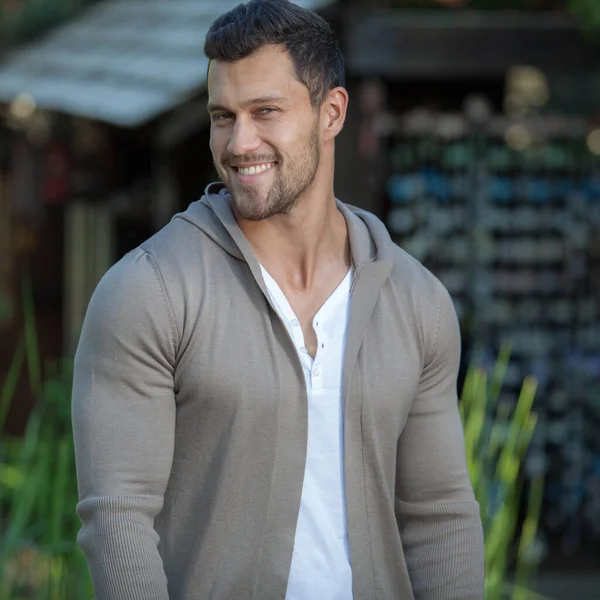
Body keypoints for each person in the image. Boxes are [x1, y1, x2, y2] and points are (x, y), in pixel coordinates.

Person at [71, 0, 485, 598]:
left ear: (332, 112)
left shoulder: (416, 301)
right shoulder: (149, 290)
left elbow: (439, 514)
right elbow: (117, 520)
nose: (240, 142)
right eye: (223, 116)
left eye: (265, 111)